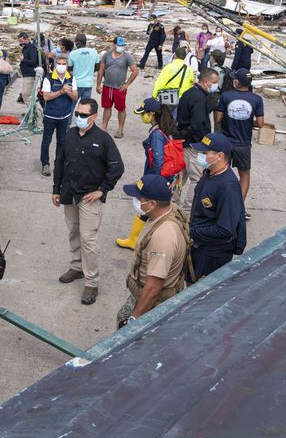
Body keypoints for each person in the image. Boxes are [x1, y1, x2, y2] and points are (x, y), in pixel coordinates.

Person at [52, 99, 124, 305]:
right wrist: (56, 189)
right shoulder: (70, 135)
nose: (79, 118)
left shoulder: (103, 139)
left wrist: (101, 190)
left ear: (93, 117)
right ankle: (76, 267)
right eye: (77, 114)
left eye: (83, 115)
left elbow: (117, 167)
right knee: (73, 232)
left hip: (89, 197)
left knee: (88, 239)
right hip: (69, 194)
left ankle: (91, 282)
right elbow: (60, 161)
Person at [116, 176, 190, 328]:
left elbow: (154, 287)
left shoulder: (163, 237)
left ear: (151, 204)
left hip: (156, 303)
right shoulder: (170, 210)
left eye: (139, 198)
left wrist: (134, 321)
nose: (136, 201)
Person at [114, 97, 178, 249]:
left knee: (149, 208)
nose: (143, 116)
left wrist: (152, 182)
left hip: (156, 178)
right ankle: (134, 239)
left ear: (152, 114)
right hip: (162, 177)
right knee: (148, 210)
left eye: (144, 113)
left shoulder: (156, 134)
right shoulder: (163, 128)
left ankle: (142, 240)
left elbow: (158, 160)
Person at [188, 133, 246, 279]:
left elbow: (225, 230)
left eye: (204, 153)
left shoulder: (228, 187)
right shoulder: (209, 172)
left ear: (219, 156)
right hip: (199, 246)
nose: (200, 156)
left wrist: (191, 232)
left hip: (212, 254)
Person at [215, 68, 264, 216]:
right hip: (243, 145)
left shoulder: (226, 96)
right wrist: (248, 121)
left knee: (220, 173)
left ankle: (219, 206)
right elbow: (261, 124)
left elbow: (217, 119)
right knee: (244, 175)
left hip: (225, 143)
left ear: (236, 81)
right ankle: (238, 208)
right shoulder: (256, 99)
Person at [177, 68, 220, 213]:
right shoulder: (199, 99)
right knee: (196, 178)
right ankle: (189, 209)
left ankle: (172, 204)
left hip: (183, 142)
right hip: (194, 145)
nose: (215, 86)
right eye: (214, 82)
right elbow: (198, 125)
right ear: (206, 82)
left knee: (180, 176)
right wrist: (205, 146)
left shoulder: (189, 93)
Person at [39, 53, 78, 176]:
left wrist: (68, 92)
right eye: (59, 64)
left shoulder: (71, 78)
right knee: (46, 140)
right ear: (55, 65)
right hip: (50, 116)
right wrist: (61, 91)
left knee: (62, 141)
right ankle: (45, 164)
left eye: (64, 64)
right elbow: (46, 96)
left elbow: (75, 96)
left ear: (67, 65)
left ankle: (58, 164)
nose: (61, 66)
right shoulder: (48, 78)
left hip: (64, 116)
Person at [97, 36, 139, 138]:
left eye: (122, 45)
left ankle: (120, 129)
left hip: (119, 88)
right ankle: (104, 126)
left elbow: (135, 70)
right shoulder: (106, 55)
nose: (121, 47)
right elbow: (101, 70)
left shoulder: (127, 56)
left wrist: (127, 84)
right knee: (107, 107)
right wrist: (98, 84)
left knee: (121, 108)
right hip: (107, 86)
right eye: (119, 45)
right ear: (114, 45)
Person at [67, 33, 99, 101]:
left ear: (77, 43)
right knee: (85, 107)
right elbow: (97, 67)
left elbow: (69, 69)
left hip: (76, 84)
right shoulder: (94, 52)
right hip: (88, 84)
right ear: (85, 42)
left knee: (71, 106)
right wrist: (89, 70)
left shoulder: (73, 54)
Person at [16, 32, 41, 106]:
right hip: (25, 74)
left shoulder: (32, 48)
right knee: (26, 94)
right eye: (19, 41)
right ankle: (31, 112)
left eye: (21, 41)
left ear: (26, 39)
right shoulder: (25, 48)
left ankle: (32, 112)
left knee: (25, 94)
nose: (20, 43)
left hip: (30, 74)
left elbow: (33, 61)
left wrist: (23, 60)